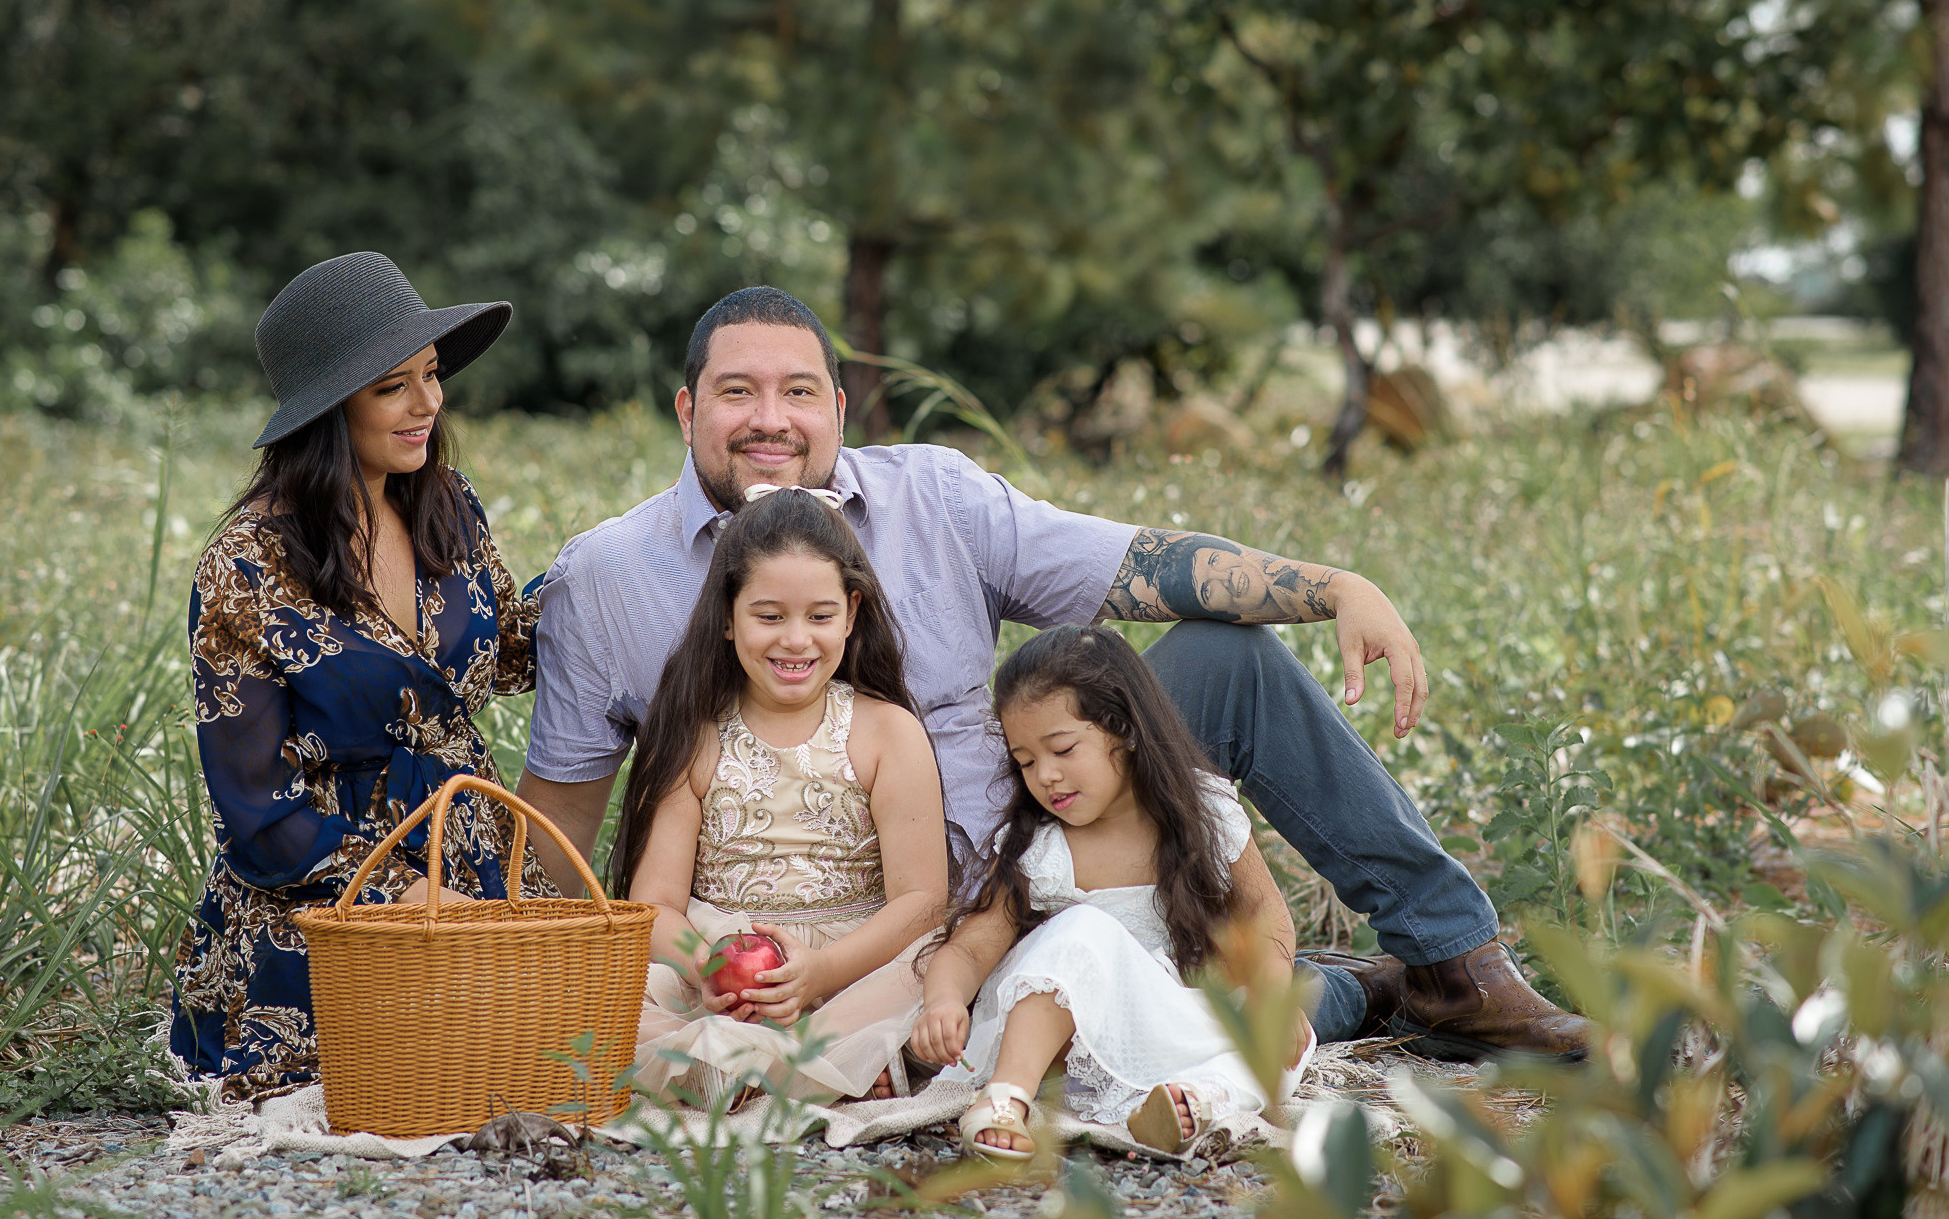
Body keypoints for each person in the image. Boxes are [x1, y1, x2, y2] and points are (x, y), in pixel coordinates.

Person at [519, 286, 1589, 1060]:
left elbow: (1132, 567)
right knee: (1066, 1022)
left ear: (840, 410)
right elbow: (557, 833)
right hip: (827, 921)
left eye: (799, 390)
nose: (770, 419)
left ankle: (1452, 964)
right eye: (736, 391)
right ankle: (1337, 997)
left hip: (1045, 841)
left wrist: (1333, 585)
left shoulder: (934, 498)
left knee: (1227, 653)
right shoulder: (606, 579)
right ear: (685, 410)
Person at [171, 253, 554, 1097]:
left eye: (431, 375)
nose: (430, 405)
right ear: (326, 409)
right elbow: (258, 815)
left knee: (540, 1070)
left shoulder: (447, 502)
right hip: (332, 902)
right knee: (385, 1090)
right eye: (393, 387)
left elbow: (508, 656)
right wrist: (408, 894)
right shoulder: (246, 567)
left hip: (477, 861)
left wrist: (615, 574)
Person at [912, 625, 1310, 1159]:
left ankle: (1191, 1101)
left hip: (1154, 1030)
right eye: (1026, 762)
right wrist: (942, 999)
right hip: (1052, 1045)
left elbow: (1268, 915)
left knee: (1284, 1034)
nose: (1046, 776)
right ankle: (1005, 1097)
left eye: (1062, 749)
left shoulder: (1205, 814)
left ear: (1124, 729)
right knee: (1083, 929)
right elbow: (970, 946)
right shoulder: (1042, 850)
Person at [612, 485, 948, 1108]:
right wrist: (707, 969)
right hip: (718, 969)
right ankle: (817, 1069)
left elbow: (923, 902)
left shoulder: (886, 732)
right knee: (602, 998)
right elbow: (654, 904)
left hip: (853, 964)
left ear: (851, 614)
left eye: (820, 617)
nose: (796, 640)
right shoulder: (695, 735)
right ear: (726, 616)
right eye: (768, 617)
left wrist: (822, 972)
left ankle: (751, 1065)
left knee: (929, 968)